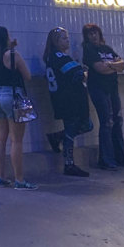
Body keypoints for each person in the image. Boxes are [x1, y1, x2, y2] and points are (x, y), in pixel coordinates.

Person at [0, 25, 36, 190]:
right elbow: (27, 76)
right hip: (14, 96)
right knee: (17, 140)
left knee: (0, 139)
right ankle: (19, 180)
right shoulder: (13, 55)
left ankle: (1, 177)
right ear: (5, 37)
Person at [81, 24, 124, 170]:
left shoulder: (107, 49)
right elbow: (99, 69)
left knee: (117, 120)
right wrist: (114, 66)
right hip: (98, 89)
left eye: (95, 33)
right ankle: (106, 159)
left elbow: (123, 65)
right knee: (106, 122)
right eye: (90, 34)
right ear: (86, 37)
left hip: (112, 88)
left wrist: (109, 65)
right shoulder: (89, 50)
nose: (93, 36)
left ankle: (121, 156)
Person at [43, 27, 91, 177]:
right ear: (56, 41)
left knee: (86, 125)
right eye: (64, 38)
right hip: (69, 100)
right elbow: (78, 74)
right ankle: (69, 164)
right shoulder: (59, 57)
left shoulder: (53, 58)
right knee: (72, 130)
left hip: (65, 100)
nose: (67, 40)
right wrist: (82, 69)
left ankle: (57, 137)